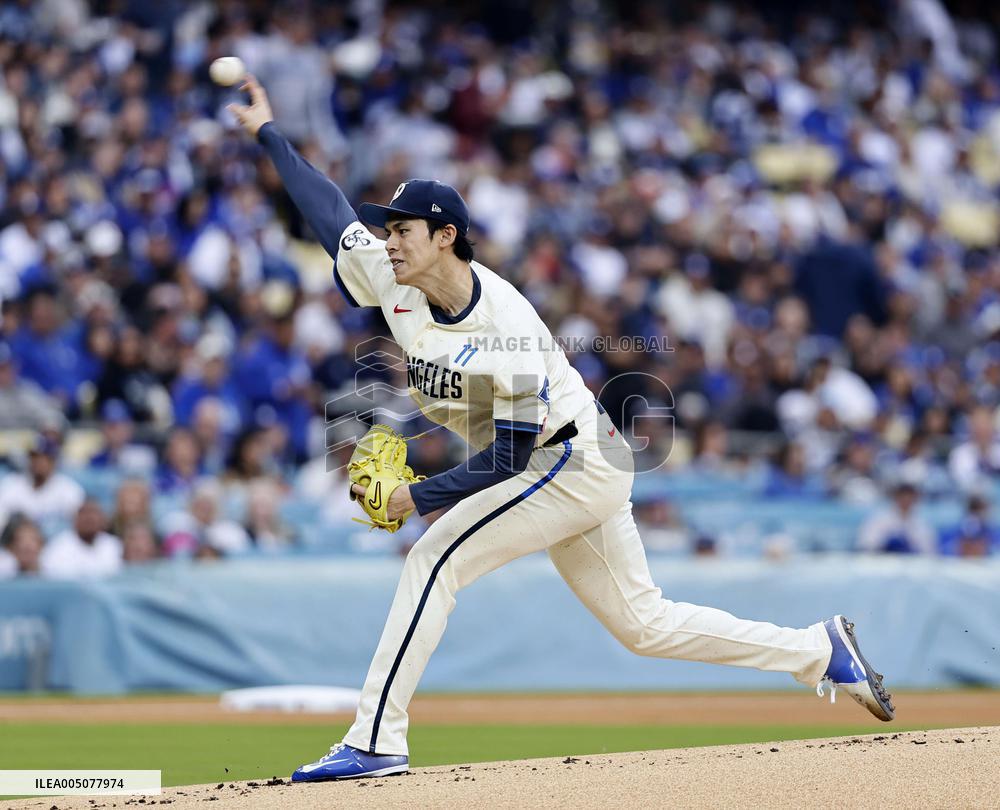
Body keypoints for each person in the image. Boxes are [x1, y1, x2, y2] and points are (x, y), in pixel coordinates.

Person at [229, 76, 895, 782]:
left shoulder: (506, 327)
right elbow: (330, 212)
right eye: (388, 230)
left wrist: (415, 498)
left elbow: (509, 457)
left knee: (435, 558)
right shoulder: (395, 276)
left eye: (402, 229)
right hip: (575, 459)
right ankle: (819, 651)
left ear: (445, 236)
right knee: (644, 625)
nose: (388, 241)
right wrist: (269, 133)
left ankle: (374, 739)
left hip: (568, 458)